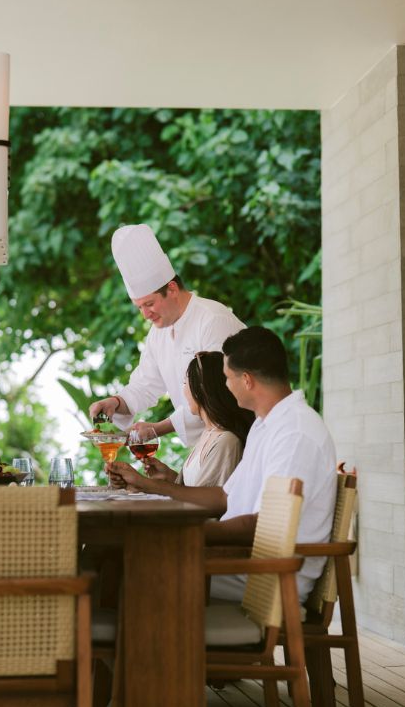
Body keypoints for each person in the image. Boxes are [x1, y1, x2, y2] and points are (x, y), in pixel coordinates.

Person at [107, 326, 336, 603]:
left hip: (267, 575)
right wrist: (149, 485)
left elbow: (262, 526)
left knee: (128, 566)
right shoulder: (266, 426)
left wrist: (183, 533)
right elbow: (224, 497)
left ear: (247, 380)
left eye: (227, 377)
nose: (225, 386)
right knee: (114, 557)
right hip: (244, 560)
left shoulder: (294, 433)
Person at [88, 224, 245, 447]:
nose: (145, 315)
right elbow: (145, 385)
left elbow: (217, 393)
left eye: (149, 304)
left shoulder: (212, 319)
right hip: (205, 446)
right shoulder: (157, 333)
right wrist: (116, 402)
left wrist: (158, 428)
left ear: (172, 289)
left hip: (238, 441)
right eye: (139, 307)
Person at [135, 351, 254, 487]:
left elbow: (208, 498)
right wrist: (169, 476)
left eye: (185, 383)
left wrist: (141, 482)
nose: (184, 391)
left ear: (202, 389)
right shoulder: (208, 433)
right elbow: (195, 490)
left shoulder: (226, 441)